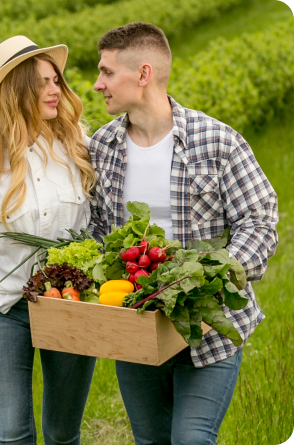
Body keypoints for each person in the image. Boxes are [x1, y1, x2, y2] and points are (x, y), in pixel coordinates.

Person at [89, 22, 278, 444]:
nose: (97, 84)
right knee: (151, 441)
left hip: (209, 327)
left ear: (143, 74)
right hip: (137, 329)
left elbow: (259, 219)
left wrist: (214, 274)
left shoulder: (216, 141)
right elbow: (98, 229)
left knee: (192, 439)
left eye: (106, 72)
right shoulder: (101, 148)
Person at [0, 36, 97, 445]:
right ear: (17, 90)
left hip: (69, 304)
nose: (55, 90)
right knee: (13, 433)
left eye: (56, 81)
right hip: (6, 308)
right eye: (43, 82)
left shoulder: (75, 147)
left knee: (63, 433)